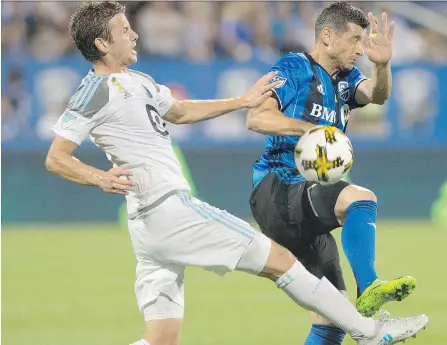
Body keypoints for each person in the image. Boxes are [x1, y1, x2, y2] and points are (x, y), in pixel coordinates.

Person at [45, 2, 427, 345]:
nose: (135, 33)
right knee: (280, 261)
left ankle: (363, 327)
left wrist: (240, 101)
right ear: (101, 43)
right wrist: (99, 177)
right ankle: (371, 332)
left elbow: (179, 112)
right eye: (124, 29)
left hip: (149, 225)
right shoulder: (94, 89)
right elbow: (57, 157)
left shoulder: (139, 81)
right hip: (167, 208)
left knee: (161, 339)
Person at [247, 2, 418, 344]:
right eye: (355, 40)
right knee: (360, 197)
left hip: (305, 202)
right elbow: (257, 118)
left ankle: (360, 299)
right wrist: (309, 130)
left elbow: (378, 95)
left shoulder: (345, 80)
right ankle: (369, 285)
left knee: (332, 320)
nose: (360, 49)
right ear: (327, 36)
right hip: (279, 188)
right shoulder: (295, 67)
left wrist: (382, 65)